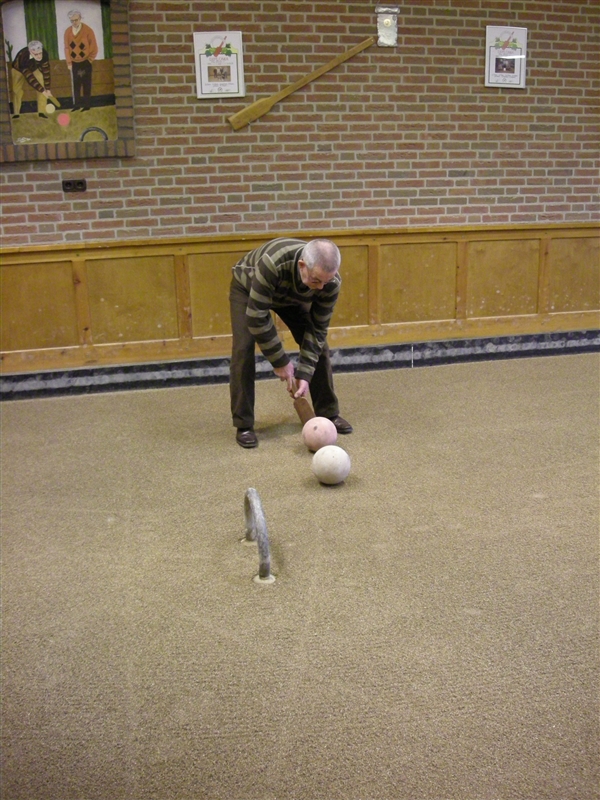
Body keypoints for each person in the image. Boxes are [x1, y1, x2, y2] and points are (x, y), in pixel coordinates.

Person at [229, 237, 353, 448]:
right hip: (248, 288)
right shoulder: (272, 263)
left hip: (291, 297)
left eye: (326, 282)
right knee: (243, 348)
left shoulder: (329, 283)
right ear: (302, 265)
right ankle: (244, 424)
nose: (321, 288)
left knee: (320, 347)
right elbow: (257, 317)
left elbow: (317, 330)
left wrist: (304, 374)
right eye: (316, 281)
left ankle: (328, 414)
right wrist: (280, 362)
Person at [64, 9, 98, 112]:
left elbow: (94, 46)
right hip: (74, 63)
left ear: (80, 18)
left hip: (86, 61)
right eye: (72, 21)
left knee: (86, 84)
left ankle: (87, 105)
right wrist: (69, 62)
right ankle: (77, 105)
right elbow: (67, 48)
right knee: (76, 85)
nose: (74, 22)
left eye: (76, 20)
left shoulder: (88, 30)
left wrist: (90, 60)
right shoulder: (68, 32)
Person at [11, 41, 53, 119]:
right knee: (16, 90)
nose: (39, 56)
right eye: (36, 54)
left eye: (40, 53)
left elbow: (46, 72)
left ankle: (42, 112)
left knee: (42, 82)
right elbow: (30, 78)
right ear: (30, 51)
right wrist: (43, 91)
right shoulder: (23, 57)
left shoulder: (44, 54)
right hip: (18, 69)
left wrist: (47, 89)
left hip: (33, 67)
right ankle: (16, 113)